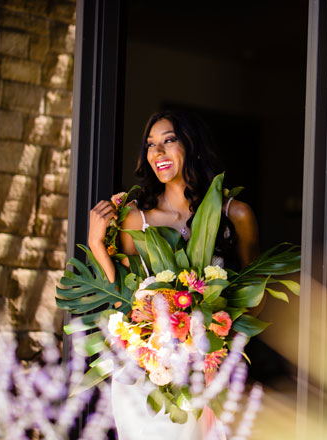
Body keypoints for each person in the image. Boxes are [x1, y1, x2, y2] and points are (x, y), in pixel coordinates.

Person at [86, 110, 260, 439]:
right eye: (151, 145)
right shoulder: (137, 219)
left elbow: (254, 299)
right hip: (147, 376)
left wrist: (212, 340)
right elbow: (125, 296)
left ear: (192, 146)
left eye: (169, 141)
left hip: (207, 374)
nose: (158, 153)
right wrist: (97, 243)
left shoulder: (235, 214)